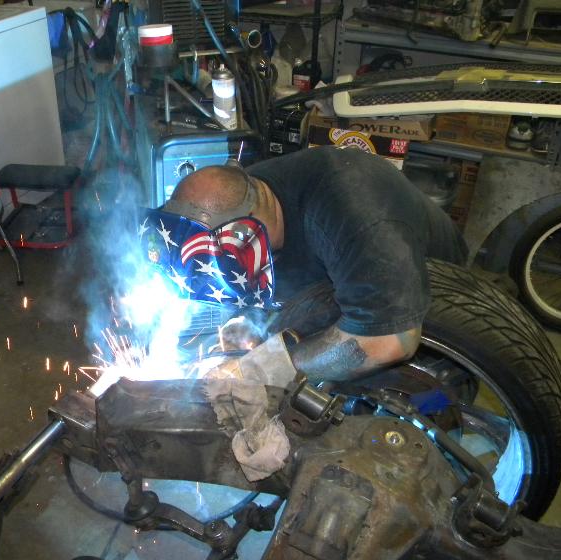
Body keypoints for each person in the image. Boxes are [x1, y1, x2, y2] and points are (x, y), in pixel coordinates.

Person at [162, 145, 468, 383]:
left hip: (433, 315)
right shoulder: (238, 194)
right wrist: (251, 322)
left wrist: (258, 370)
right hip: (342, 281)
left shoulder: (354, 212)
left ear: (247, 230)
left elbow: (390, 343)